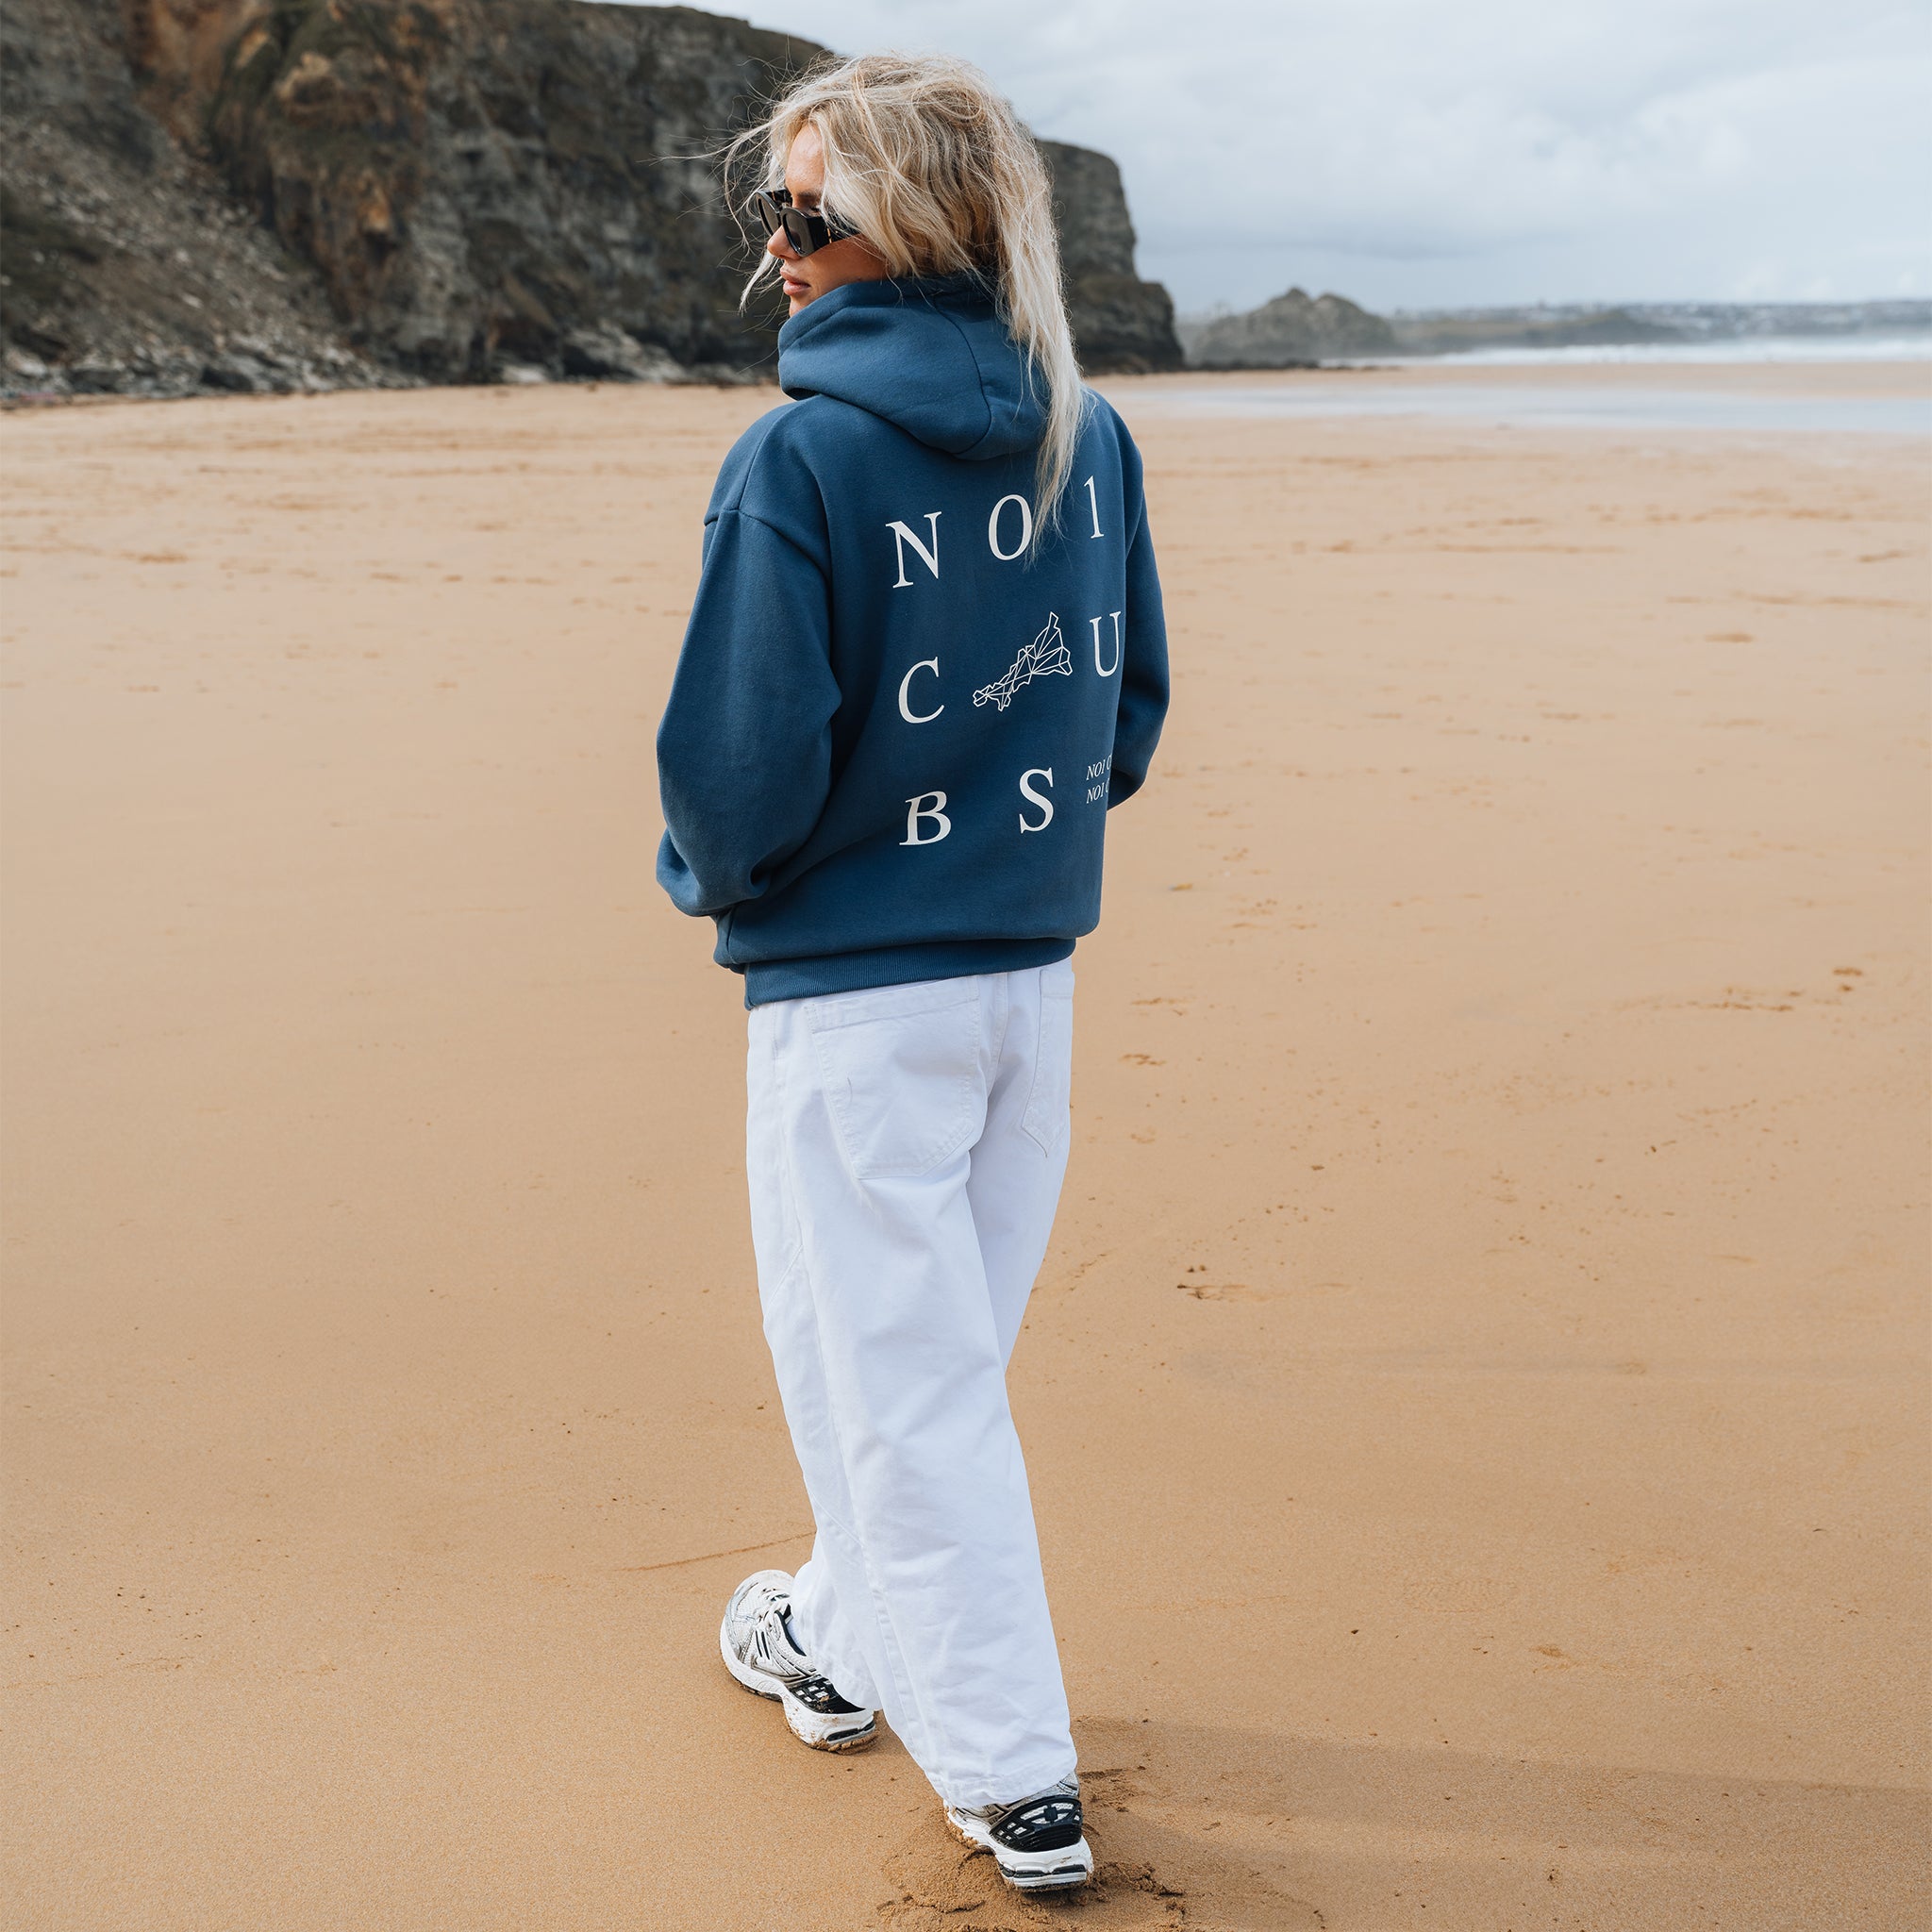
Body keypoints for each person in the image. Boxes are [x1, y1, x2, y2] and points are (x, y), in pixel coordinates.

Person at [654, 51, 1168, 1894]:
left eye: (812, 210)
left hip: (854, 1004)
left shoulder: (795, 459)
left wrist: (722, 877)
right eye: (774, 209)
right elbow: (1125, 713)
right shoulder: (1082, 435)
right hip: (1028, 986)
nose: (776, 244)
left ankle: (1014, 1770)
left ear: (915, 225)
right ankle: (834, 1631)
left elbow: (734, 769)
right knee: (928, 1362)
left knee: (899, 1381)